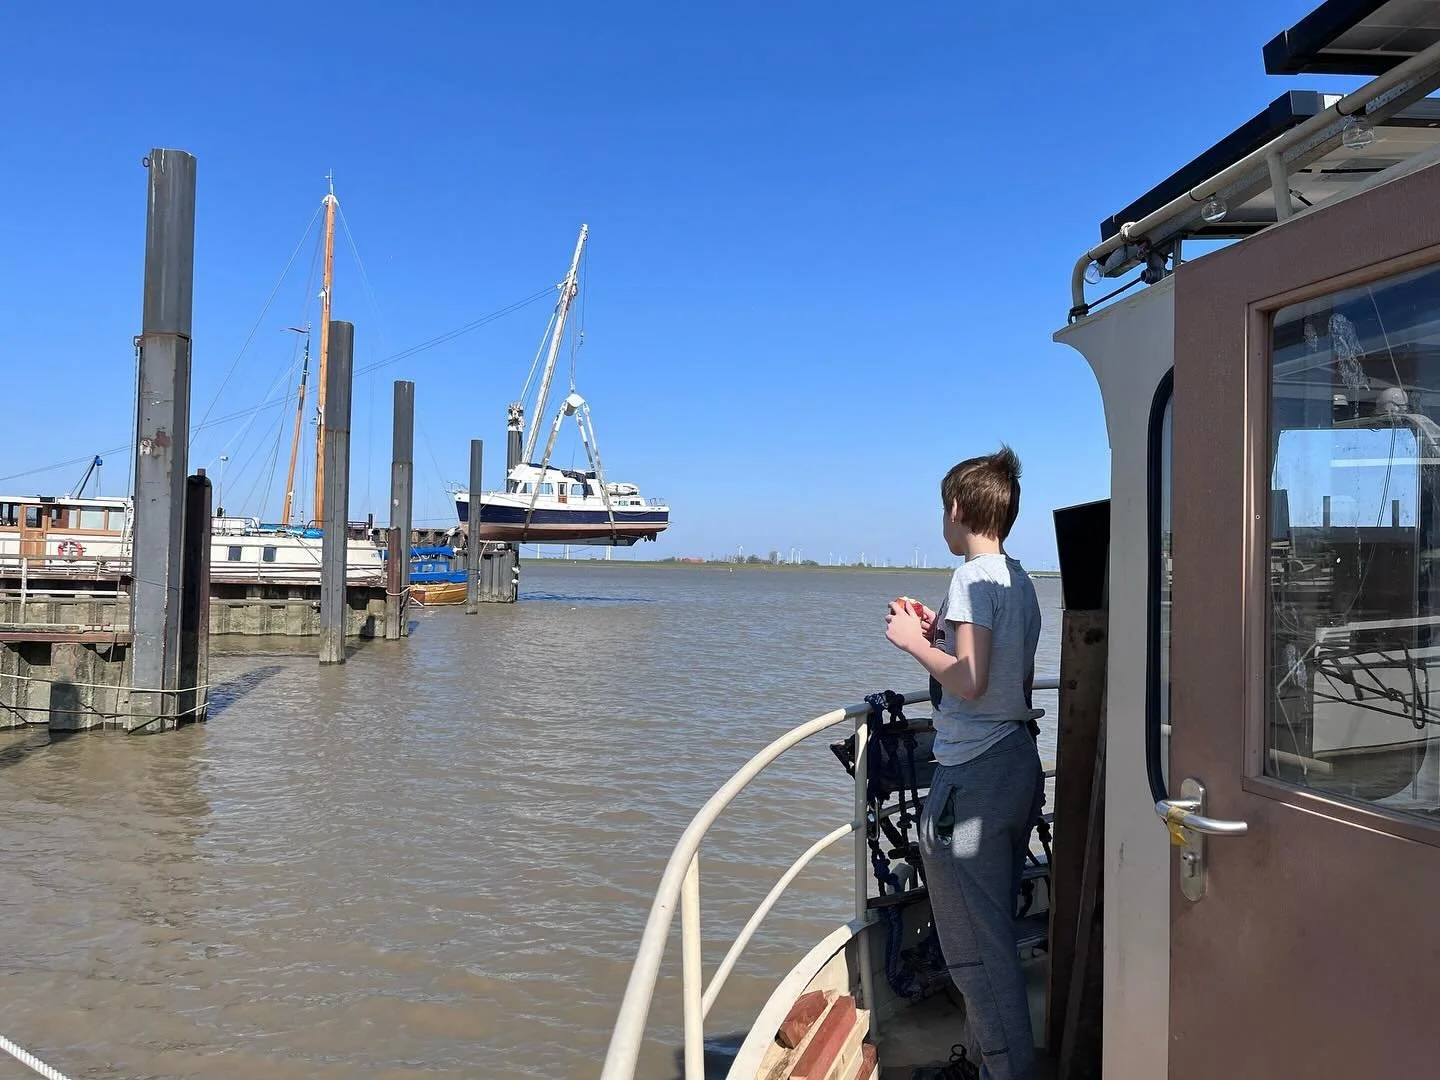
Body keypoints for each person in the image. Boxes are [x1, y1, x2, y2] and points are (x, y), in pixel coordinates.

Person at [884, 445, 1042, 1080]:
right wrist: (937, 637)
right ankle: (985, 1063)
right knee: (992, 930)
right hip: (1015, 762)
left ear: (956, 508)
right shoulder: (1020, 579)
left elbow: (972, 680)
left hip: (972, 776)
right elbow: (998, 672)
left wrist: (909, 645)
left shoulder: (971, 579)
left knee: (975, 950)